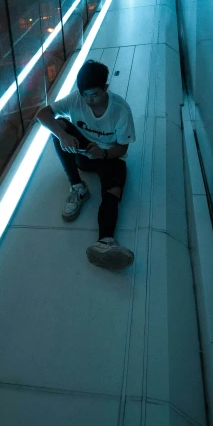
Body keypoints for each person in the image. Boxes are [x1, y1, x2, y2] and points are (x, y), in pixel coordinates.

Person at [37, 60, 135, 270]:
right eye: (85, 95)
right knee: (59, 127)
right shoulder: (77, 99)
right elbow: (42, 114)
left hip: (107, 156)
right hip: (83, 153)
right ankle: (78, 187)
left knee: (114, 188)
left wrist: (104, 153)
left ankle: (105, 241)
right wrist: (63, 135)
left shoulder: (120, 110)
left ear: (105, 88)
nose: (89, 100)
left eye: (95, 95)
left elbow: (122, 149)